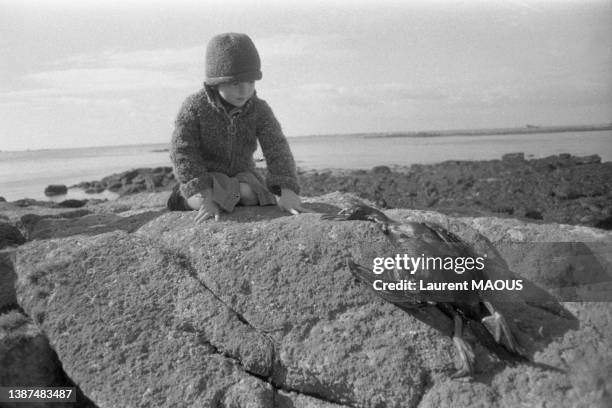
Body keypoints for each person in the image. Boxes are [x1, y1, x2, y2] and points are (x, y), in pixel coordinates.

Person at [168, 32, 309, 223]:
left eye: (250, 82)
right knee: (202, 198)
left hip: (242, 180)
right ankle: (188, 201)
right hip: (206, 180)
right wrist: (205, 196)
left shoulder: (259, 109)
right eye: (235, 83)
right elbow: (183, 151)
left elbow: (277, 148)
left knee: (248, 194)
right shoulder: (195, 107)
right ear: (215, 82)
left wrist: (288, 191)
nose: (244, 91)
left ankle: (224, 201)